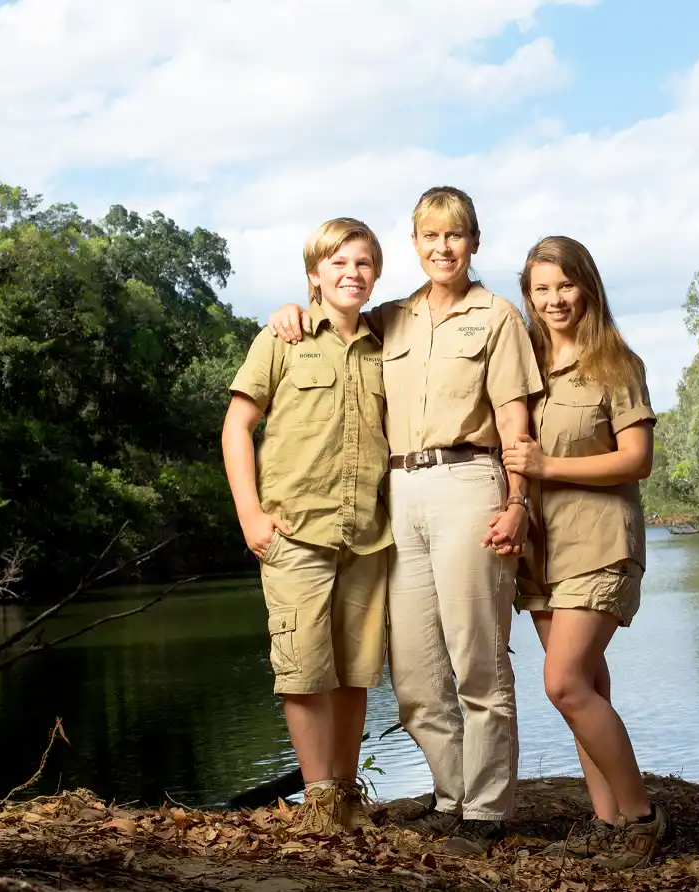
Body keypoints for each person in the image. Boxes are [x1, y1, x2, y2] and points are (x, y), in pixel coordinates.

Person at [268, 186, 542, 855]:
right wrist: (289, 313)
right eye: (429, 236)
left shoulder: (497, 316)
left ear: (473, 243)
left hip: (470, 482)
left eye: (455, 236)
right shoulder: (391, 318)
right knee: (415, 672)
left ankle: (486, 809)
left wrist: (518, 503)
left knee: (477, 658)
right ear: (414, 245)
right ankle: (451, 794)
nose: (442, 248)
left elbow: (515, 421)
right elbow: (334, 318)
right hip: (398, 494)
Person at [501, 235, 671, 867]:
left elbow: (638, 460)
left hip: (600, 544)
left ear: (588, 287)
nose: (553, 299)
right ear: (527, 295)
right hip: (540, 552)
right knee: (590, 683)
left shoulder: (616, 364)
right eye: (540, 289)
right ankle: (609, 823)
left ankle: (647, 818)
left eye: (564, 285)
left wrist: (550, 464)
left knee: (565, 683)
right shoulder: (519, 367)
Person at [221, 218, 392, 838]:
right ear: (315, 274)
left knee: (353, 674)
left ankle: (346, 798)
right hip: (294, 532)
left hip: (368, 537)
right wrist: (250, 514)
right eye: (338, 262)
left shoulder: (387, 342)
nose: (352, 273)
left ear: (377, 273)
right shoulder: (283, 338)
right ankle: (320, 802)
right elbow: (237, 425)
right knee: (303, 671)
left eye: (364, 263)